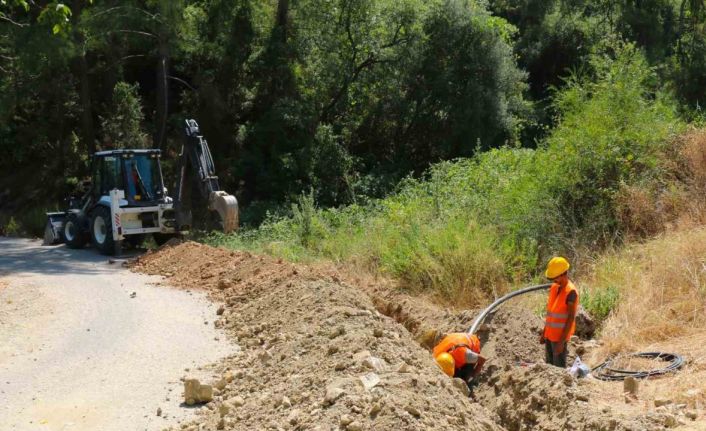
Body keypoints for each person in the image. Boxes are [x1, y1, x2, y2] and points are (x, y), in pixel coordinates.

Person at [540, 256, 579, 368]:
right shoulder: (555, 288)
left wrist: (561, 342)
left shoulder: (571, 292)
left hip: (559, 338)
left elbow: (570, 318)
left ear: (563, 274)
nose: (553, 280)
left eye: (555, 277)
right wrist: (544, 333)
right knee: (549, 368)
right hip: (549, 335)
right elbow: (550, 313)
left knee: (558, 370)